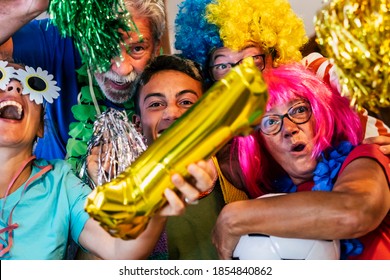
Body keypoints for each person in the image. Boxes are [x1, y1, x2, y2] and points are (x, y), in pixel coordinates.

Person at [0, 58, 212, 260]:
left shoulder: (60, 183)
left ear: (40, 126)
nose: (14, 88)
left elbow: (118, 249)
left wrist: (156, 206)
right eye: (2, 78)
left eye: (29, 85)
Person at [212, 63, 390, 260]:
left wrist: (233, 218)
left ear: (320, 115)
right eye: (270, 122)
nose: (288, 128)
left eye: (298, 110)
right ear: (261, 144)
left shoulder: (367, 155)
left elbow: (356, 211)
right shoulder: (271, 207)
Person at [174, 0, 390, 157]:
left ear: (274, 54)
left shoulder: (313, 72)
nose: (240, 75)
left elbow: (357, 79)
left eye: (251, 59)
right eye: (223, 65)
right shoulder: (231, 126)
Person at [86, 54, 247, 260]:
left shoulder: (238, 171)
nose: (172, 113)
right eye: (156, 104)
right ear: (138, 124)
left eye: (186, 102)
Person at [0, 0, 166, 164]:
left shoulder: (170, 84)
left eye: (137, 49)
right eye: (106, 47)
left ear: (156, 47)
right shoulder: (58, 39)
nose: (122, 69)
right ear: (83, 39)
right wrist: (29, 6)